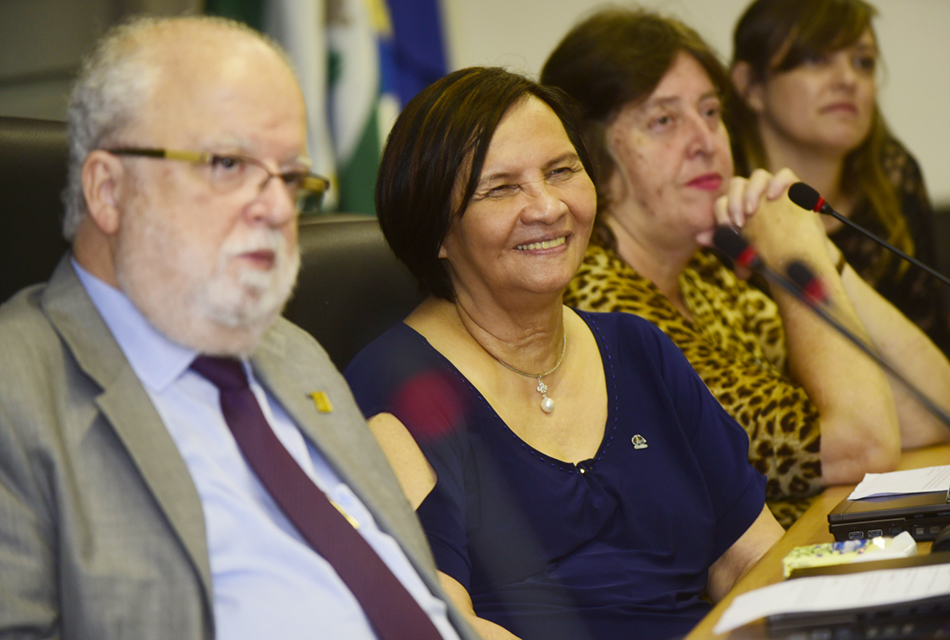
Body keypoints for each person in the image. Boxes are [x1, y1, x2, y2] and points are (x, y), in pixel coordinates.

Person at [0, 16, 477, 640]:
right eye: (227, 163)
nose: (279, 207)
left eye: (289, 177)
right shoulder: (17, 391)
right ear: (109, 190)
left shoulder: (293, 352)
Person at [343, 66, 784, 640]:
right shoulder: (394, 386)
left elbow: (752, 558)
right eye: (502, 188)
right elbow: (441, 623)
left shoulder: (640, 349)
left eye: (561, 171)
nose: (548, 207)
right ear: (435, 231)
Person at [540, 7, 950, 526]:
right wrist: (794, 252)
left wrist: (818, 251)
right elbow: (857, 446)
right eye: (664, 120)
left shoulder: (709, 281)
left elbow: (930, 410)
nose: (705, 140)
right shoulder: (598, 306)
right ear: (588, 156)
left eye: (711, 113)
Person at [729, 0, 950, 355]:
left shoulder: (894, 178)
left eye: (863, 62)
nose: (849, 79)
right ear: (750, 85)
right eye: (817, 58)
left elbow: (937, 346)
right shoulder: (720, 199)